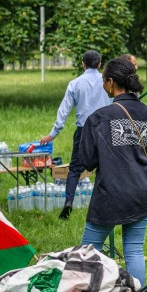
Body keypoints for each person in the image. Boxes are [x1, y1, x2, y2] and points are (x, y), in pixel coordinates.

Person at [74, 57, 147, 286]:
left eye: (104, 81)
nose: (104, 86)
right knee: (133, 250)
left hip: (110, 193)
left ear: (111, 82)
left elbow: (88, 161)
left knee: (88, 250)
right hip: (142, 190)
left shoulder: (98, 118)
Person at [40, 50, 110, 219]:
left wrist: (53, 134)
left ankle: (69, 202)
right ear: (100, 64)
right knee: (106, 167)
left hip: (83, 131)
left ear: (83, 64)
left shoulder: (75, 83)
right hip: (104, 129)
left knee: (75, 169)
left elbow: (63, 110)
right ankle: (104, 204)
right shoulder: (107, 82)